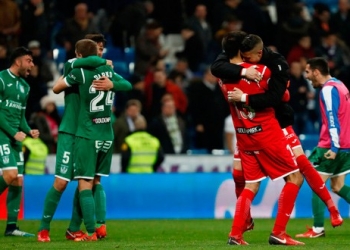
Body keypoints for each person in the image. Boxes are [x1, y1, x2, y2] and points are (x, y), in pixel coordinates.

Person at [211, 33, 343, 230]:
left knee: (301, 166)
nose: (247, 59)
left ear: (255, 52)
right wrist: (244, 73)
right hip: (250, 129)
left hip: (276, 123)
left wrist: (246, 96)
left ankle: (332, 211)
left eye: (249, 56)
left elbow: (282, 96)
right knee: (240, 176)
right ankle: (246, 222)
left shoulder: (274, 64)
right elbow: (216, 66)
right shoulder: (231, 67)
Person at [37, 36, 131, 242]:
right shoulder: (73, 65)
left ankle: (75, 229)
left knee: (87, 181)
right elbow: (62, 80)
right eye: (97, 49)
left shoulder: (101, 71)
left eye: (102, 50)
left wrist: (109, 78)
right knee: (62, 183)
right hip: (71, 131)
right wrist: (101, 63)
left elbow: (124, 84)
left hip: (88, 132)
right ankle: (43, 229)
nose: (100, 53)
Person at [219, 31, 304, 246]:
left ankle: (235, 235)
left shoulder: (223, 77)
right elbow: (282, 96)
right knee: (295, 178)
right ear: (241, 50)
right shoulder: (261, 71)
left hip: (244, 137)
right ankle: (279, 233)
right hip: (266, 134)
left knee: (251, 186)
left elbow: (219, 66)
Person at [296, 57, 350, 238]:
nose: (306, 76)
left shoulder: (327, 90)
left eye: (308, 72)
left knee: (316, 184)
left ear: (316, 72)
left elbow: (333, 118)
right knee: (337, 186)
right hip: (346, 145)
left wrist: (334, 147)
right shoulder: (340, 85)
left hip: (332, 145)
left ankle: (318, 229)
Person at [0, 47, 40, 236]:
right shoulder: (1, 79)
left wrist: (28, 130)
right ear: (18, 61)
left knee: (17, 180)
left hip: (15, 137)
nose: (32, 65)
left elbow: (20, 116)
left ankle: (11, 227)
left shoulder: (25, 86)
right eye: (29, 61)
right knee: (10, 174)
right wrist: (13, 133)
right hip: (1, 134)